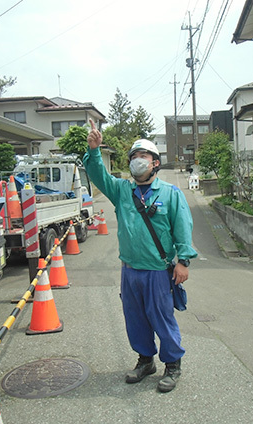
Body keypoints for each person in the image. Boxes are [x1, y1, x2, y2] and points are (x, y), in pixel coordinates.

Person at [84, 120, 197, 393]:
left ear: (155, 163)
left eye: (143, 156)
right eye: (133, 157)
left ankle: (173, 364)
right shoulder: (123, 191)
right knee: (135, 318)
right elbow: (98, 175)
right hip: (130, 270)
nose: (137, 161)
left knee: (161, 318)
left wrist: (183, 261)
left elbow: (183, 229)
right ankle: (146, 360)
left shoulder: (170, 194)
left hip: (158, 271)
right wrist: (95, 151)